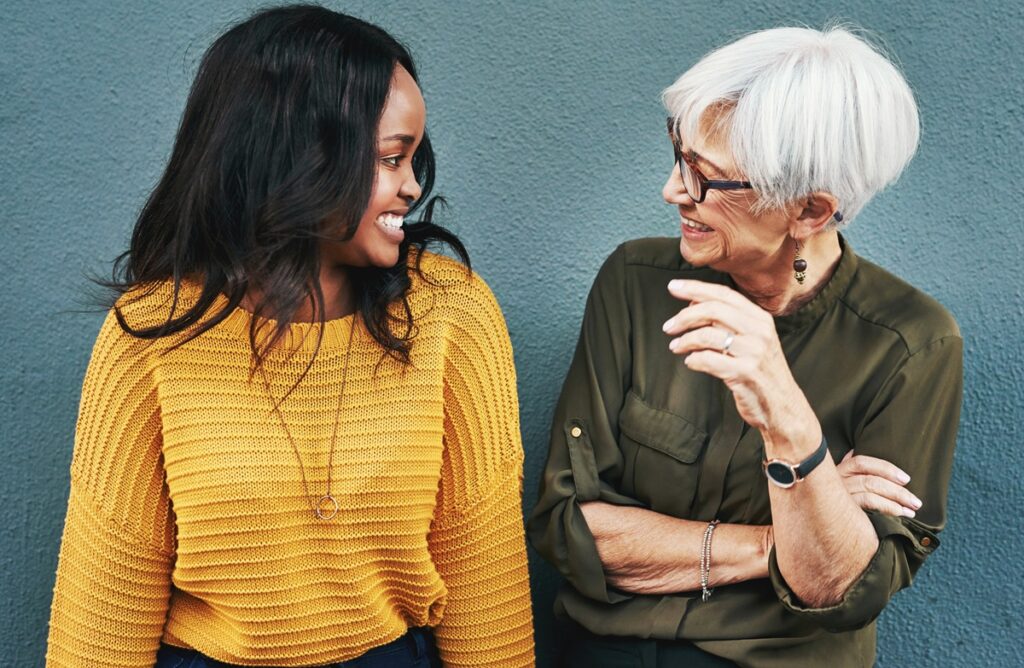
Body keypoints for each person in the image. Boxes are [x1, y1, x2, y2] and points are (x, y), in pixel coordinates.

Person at [46, 6, 535, 667]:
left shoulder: (452, 312)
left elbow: (489, 597)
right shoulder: (151, 332)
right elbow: (98, 630)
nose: (412, 187)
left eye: (414, 158)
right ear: (299, 159)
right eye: (392, 158)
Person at [528, 25, 961, 668]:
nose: (675, 192)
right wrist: (780, 538)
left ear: (810, 212)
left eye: (707, 179)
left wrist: (784, 411)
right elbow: (571, 528)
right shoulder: (636, 284)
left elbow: (836, 588)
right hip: (600, 652)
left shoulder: (912, 346)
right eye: (680, 157)